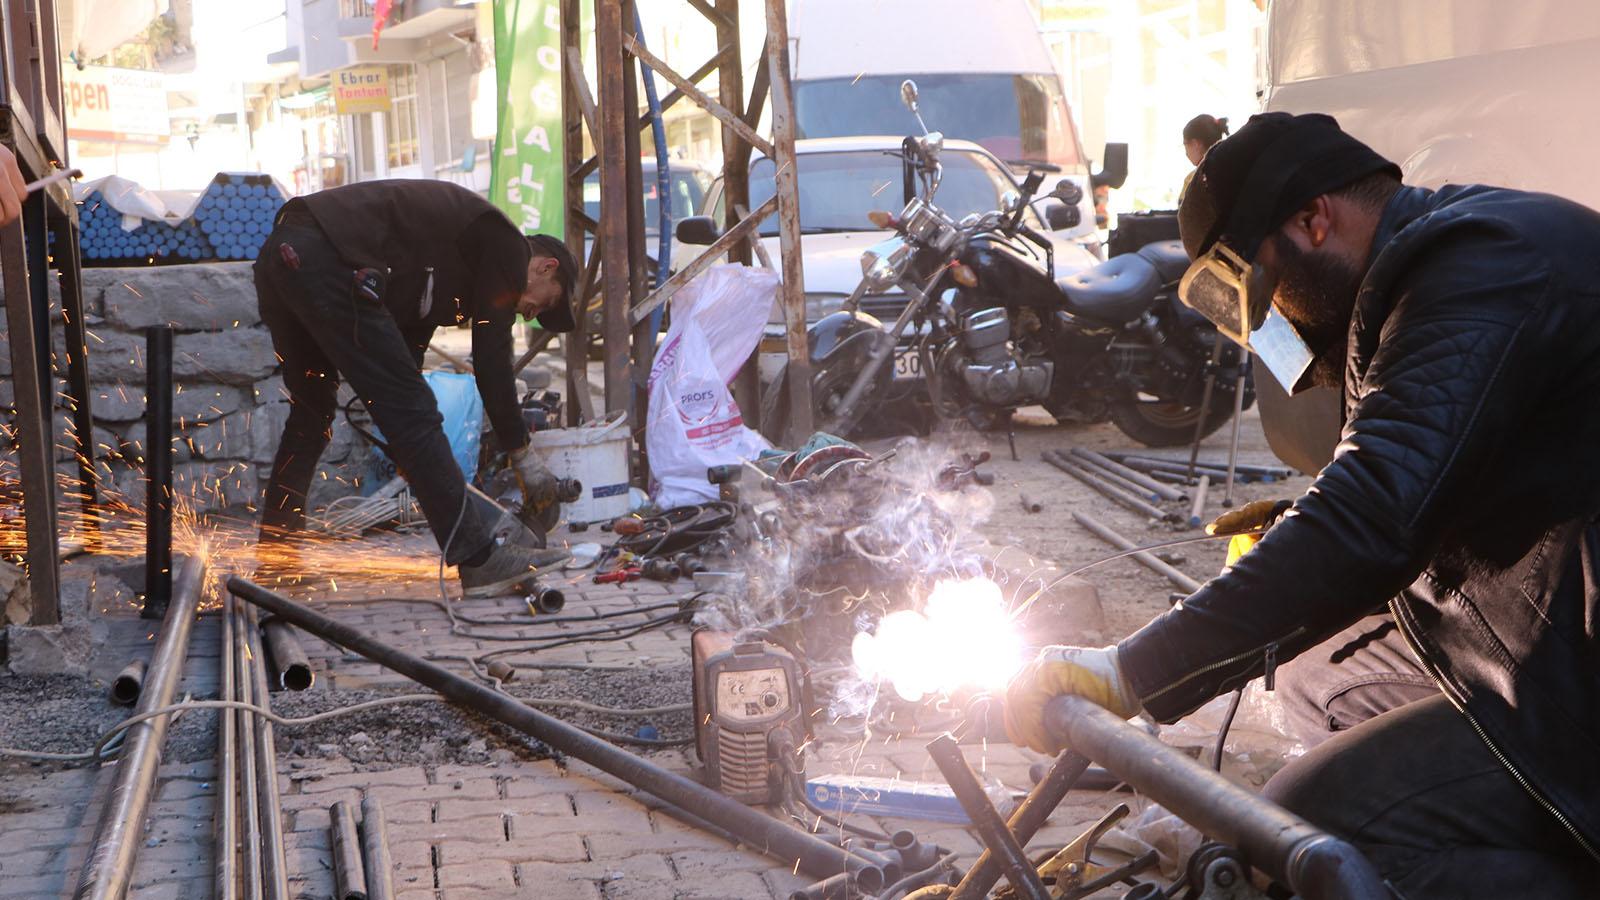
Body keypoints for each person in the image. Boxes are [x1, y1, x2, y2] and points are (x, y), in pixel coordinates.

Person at [1006, 112, 1600, 897]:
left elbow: (1371, 516)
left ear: (1313, 219)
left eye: (1257, 290)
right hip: (1557, 622)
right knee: (1308, 671)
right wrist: (1297, 541)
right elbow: (1439, 480)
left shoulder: (1477, 265)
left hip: (1579, 670)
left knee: (1305, 834)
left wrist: (1132, 670)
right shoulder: (1431, 272)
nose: (1266, 325)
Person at [253, 179, 577, 597]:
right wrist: (522, 455)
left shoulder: (441, 265)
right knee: (412, 410)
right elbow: (492, 361)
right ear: (545, 267)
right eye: (547, 303)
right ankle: (479, 560)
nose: (533, 314)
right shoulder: (507, 244)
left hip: (288, 254)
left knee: (312, 413)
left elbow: (403, 362)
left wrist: (418, 457)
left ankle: (277, 561)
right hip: (328, 254)